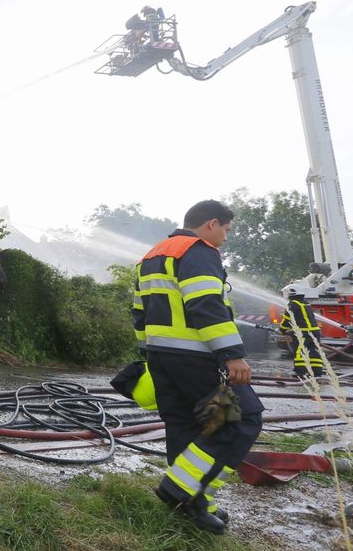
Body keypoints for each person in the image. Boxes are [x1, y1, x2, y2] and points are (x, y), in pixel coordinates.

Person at [132, 199, 263, 534]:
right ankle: (179, 489)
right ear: (211, 224)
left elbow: (139, 313)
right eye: (226, 230)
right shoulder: (198, 250)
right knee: (242, 418)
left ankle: (192, 505)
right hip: (196, 356)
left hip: (162, 358)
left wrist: (150, 355)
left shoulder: (152, 255)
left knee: (184, 426)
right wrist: (232, 354)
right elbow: (205, 304)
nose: (225, 238)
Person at [279, 286, 325, 378]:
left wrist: (282, 329)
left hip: (303, 333)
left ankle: (300, 372)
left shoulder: (292, 304)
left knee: (300, 352)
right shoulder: (306, 303)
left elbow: (287, 319)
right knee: (314, 352)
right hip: (315, 332)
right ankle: (317, 372)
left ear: (292, 293)